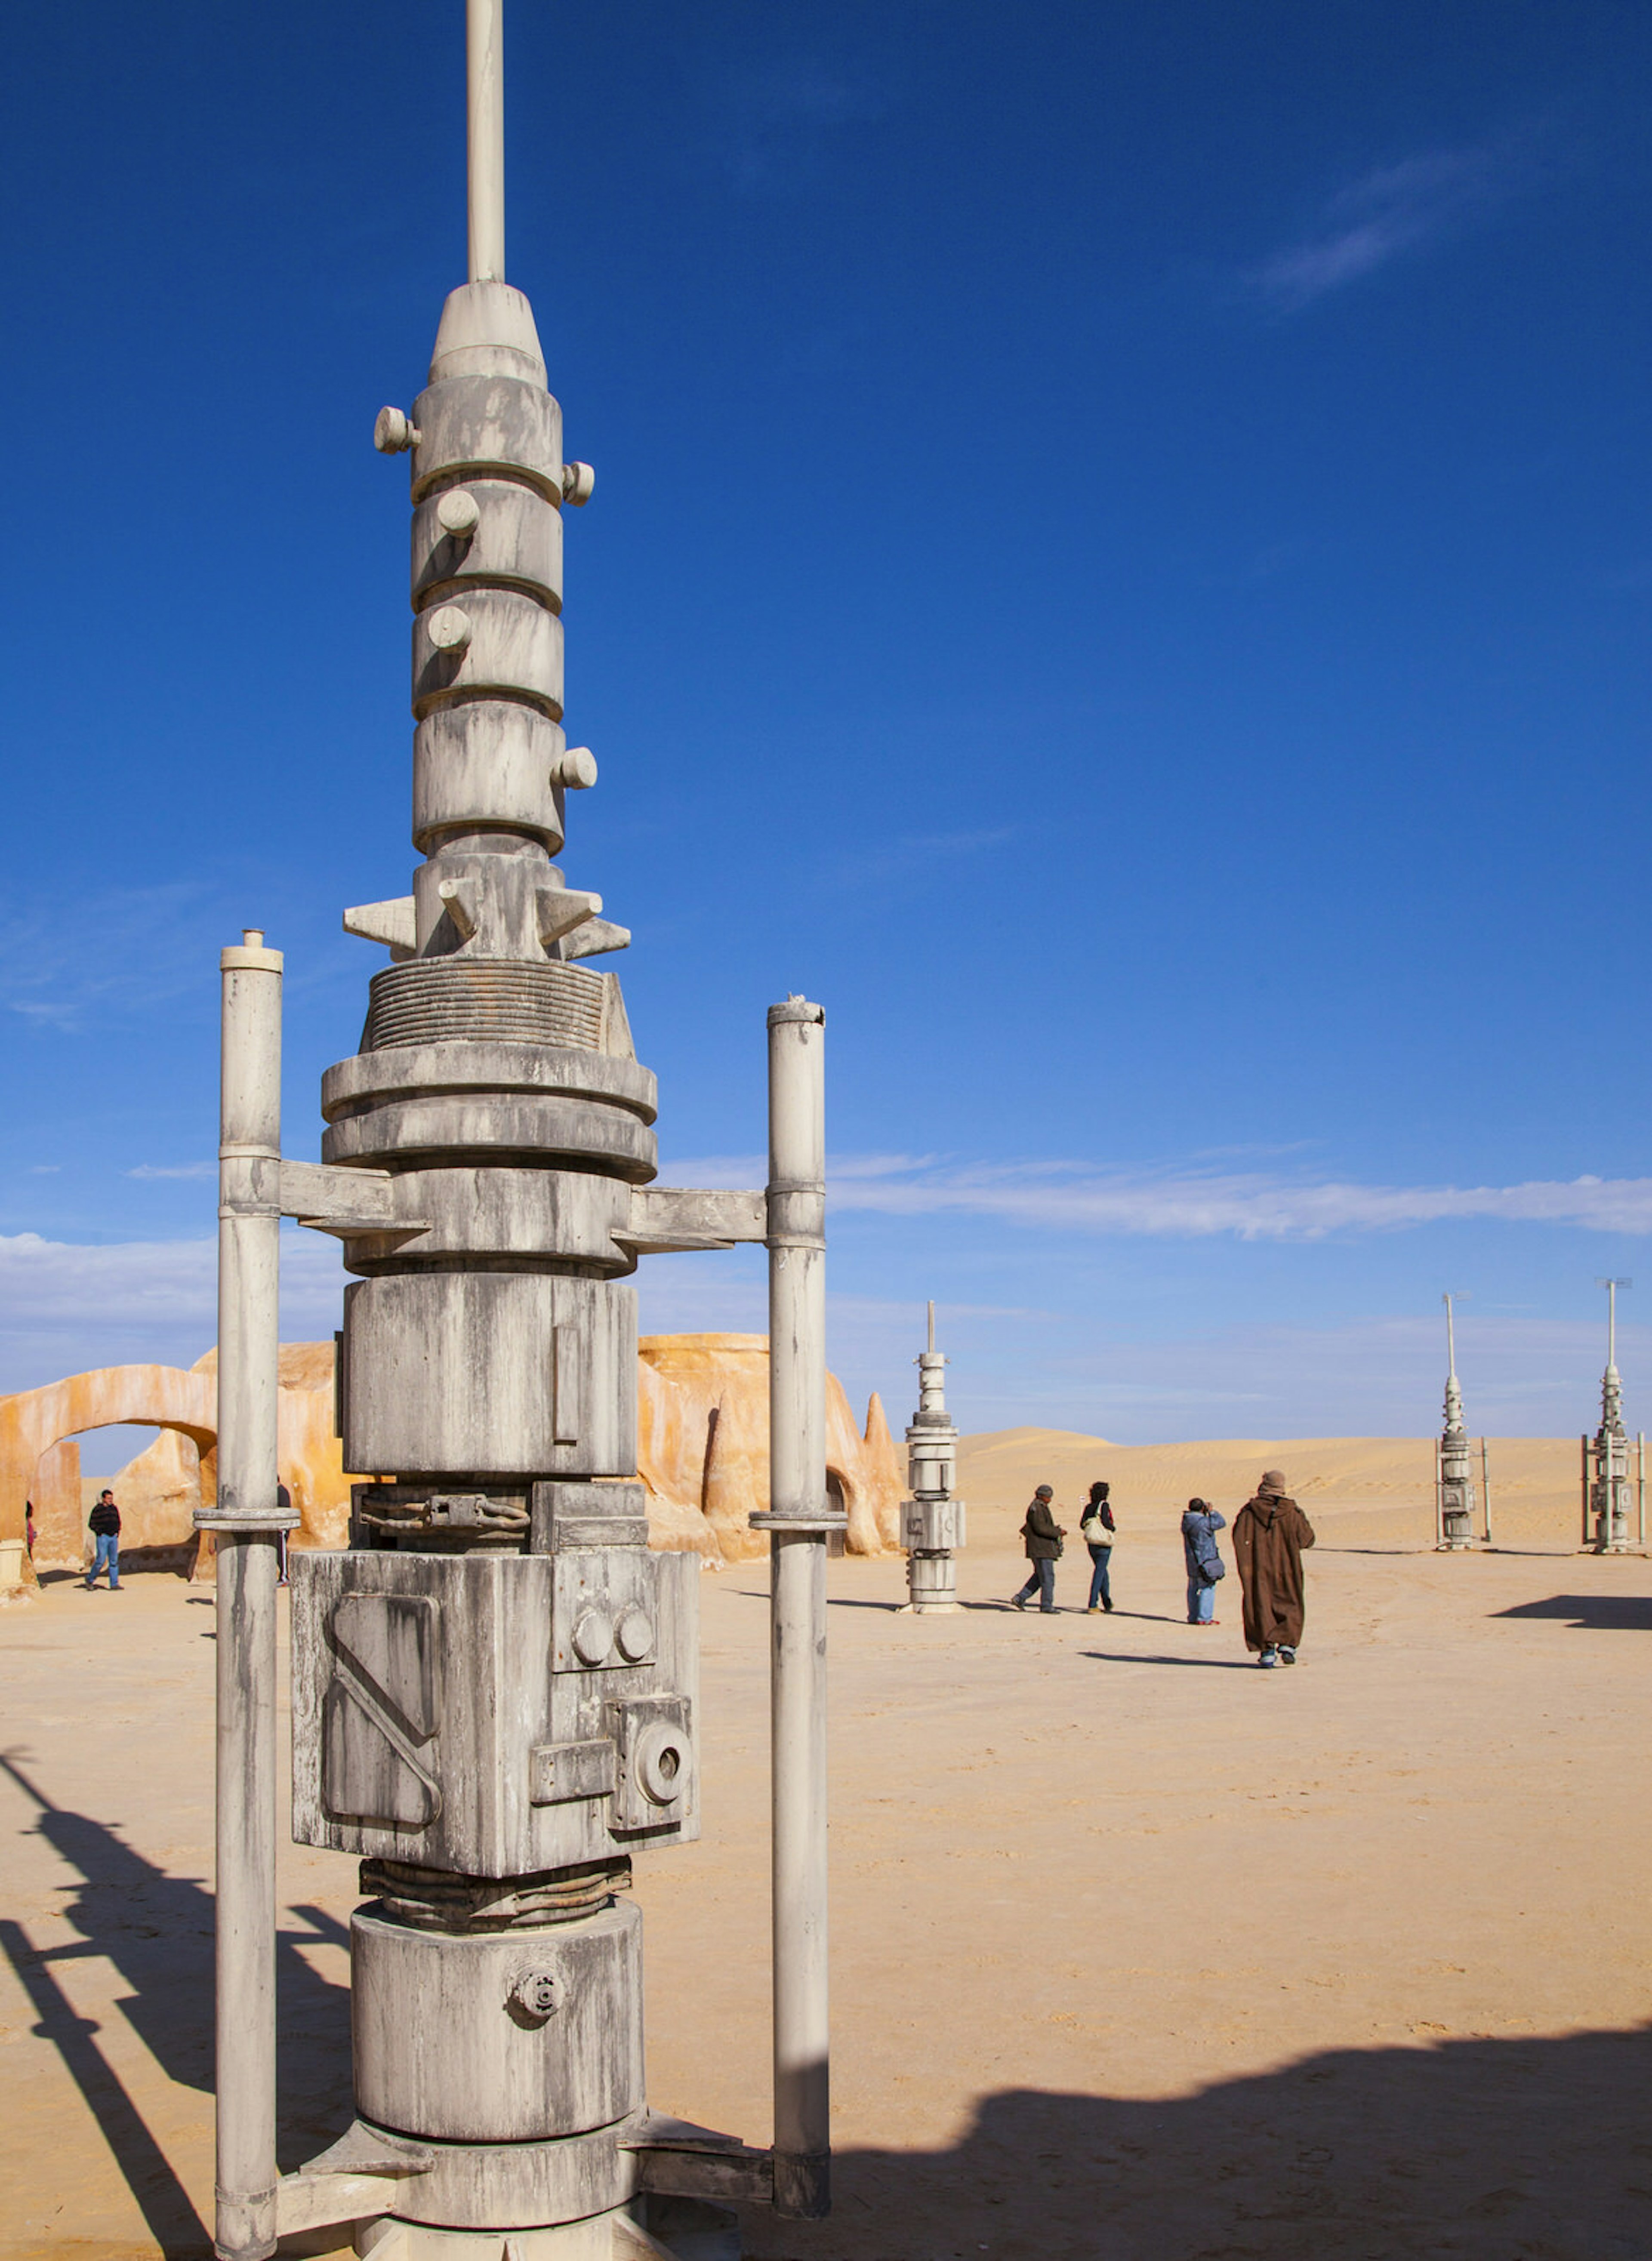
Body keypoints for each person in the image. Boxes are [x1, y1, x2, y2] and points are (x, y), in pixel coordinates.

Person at [1231, 1468, 1315, 1666]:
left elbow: (1238, 1537)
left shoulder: (1250, 1511)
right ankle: (1288, 1644)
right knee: (1291, 1603)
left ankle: (1267, 1650)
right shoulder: (1293, 1512)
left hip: (1258, 1569)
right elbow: (1307, 1540)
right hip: (1288, 1568)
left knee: (1261, 1605)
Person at [1011, 1485, 1065, 1613]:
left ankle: (1020, 1598)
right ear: (1041, 1496)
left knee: (1040, 1577)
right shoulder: (1036, 1508)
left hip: (1041, 1548)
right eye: (1048, 1496)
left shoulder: (1040, 1507)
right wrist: (1057, 1532)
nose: (1050, 1499)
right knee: (1047, 1577)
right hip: (1041, 1548)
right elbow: (1040, 1528)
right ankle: (1047, 1605)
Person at [1180, 1496, 1226, 1625]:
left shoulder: (1187, 1521)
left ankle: (1193, 1616)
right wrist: (1212, 1512)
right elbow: (1221, 1523)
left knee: (1193, 1588)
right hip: (1205, 1561)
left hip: (1192, 1561)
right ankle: (1204, 1617)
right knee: (1208, 1587)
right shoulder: (1204, 1523)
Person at [1080, 1480, 1116, 1613]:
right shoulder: (1104, 1505)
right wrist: (1113, 1528)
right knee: (1099, 1572)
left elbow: (1082, 1524)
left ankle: (1107, 1602)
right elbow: (1107, 1522)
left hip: (1092, 1544)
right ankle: (1093, 1604)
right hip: (1103, 1543)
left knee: (1102, 1571)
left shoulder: (1089, 1507)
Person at [85, 1489, 122, 1591]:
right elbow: (92, 1524)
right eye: (109, 1498)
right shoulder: (98, 1509)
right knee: (101, 1560)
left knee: (114, 1561)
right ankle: (90, 1579)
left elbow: (118, 1521)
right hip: (103, 1537)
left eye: (112, 1498)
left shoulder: (114, 1509)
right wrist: (99, 1532)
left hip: (113, 1537)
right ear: (104, 1499)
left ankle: (114, 1584)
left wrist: (117, 1531)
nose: (111, 1500)